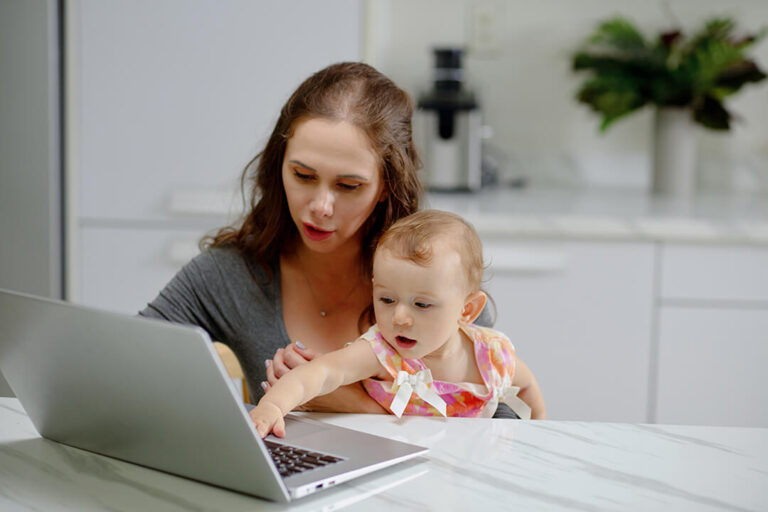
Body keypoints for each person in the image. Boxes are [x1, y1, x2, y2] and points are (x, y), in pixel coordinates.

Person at [139, 61, 517, 418]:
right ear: (279, 166)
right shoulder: (230, 275)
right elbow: (120, 368)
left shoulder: (435, 276)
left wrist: (352, 403)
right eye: (303, 176)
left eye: (348, 185)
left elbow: (498, 427)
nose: (320, 206)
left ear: (387, 186)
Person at [249, 210, 546, 437]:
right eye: (387, 300)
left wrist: (541, 436)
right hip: (391, 471)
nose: (399, 318)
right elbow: (322, 372)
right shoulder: (383, 353)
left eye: (421, 305)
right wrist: (273, 406)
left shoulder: (492, 356)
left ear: (467, 310)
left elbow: (528, 386)